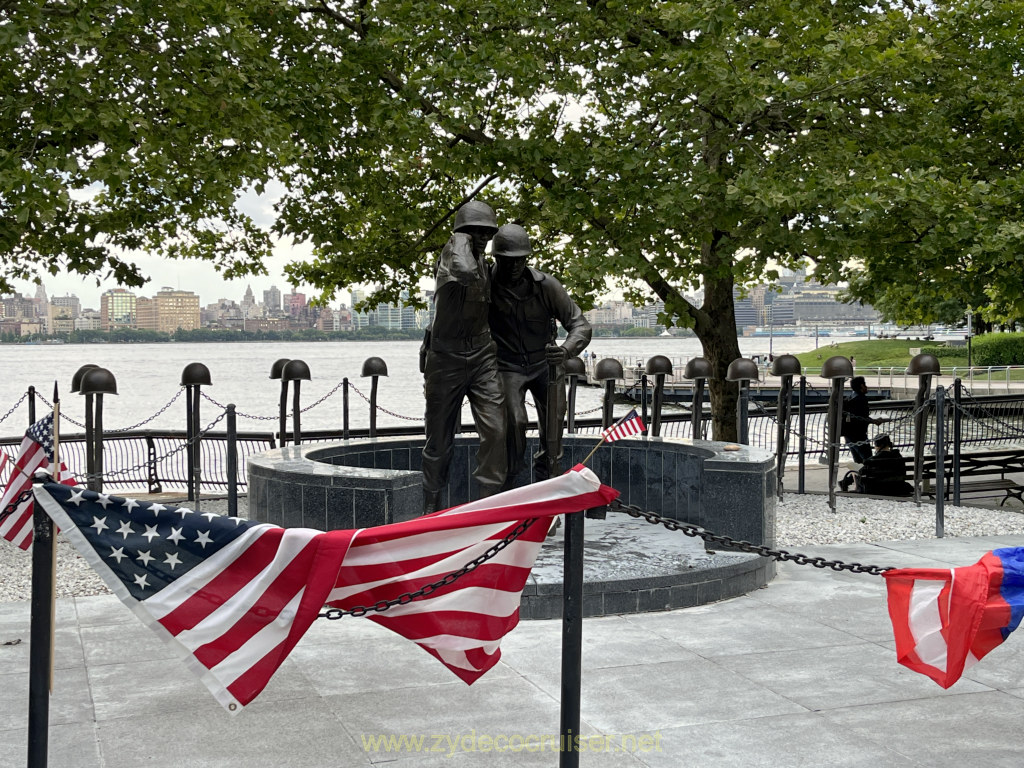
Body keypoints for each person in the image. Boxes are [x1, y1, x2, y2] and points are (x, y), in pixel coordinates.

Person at [488, 223, 592, 488]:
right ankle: (511, 484)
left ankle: (548, 482)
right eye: (508, 260)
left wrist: (565, 350)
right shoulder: (484, 285)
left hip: (545, 366)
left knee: (554, 425)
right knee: (514, 421)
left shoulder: (547, 286)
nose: (515, 266)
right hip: (506, 366)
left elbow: (580, 325)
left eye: (520, 259)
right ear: (496, 257)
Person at [420, 201, 507, 514]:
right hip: (445, 359)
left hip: (483, 356)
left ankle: (487, 507)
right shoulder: (452, 254)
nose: (483, 237)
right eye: (476, 231)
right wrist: (461, 237)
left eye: (488, 232)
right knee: (439, 440)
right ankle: (431, 507)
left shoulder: (484, 262)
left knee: (496, 431)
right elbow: (465, 271)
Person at [839, 435, 912, 495]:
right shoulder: (898, 456)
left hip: (879, 489)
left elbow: (862, 473)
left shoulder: (872, 460)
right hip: (898, 487)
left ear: (877, 445)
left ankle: (855, 487)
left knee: (854, 467)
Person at [840, 375, 884, 463]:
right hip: (859, 435)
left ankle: (859, 472)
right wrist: (874, 421)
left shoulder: (850, 397)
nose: (866, 387)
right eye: (865, 384)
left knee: (858, 461)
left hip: (849, 435)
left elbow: (857, 415)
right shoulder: (861, 399)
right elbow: (861, 417)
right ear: (861, 386)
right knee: (868, 460)